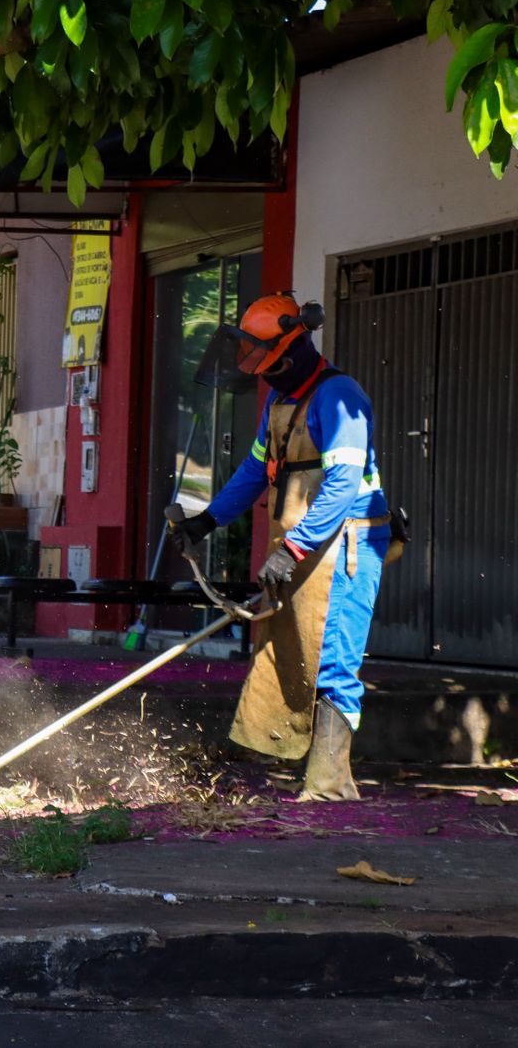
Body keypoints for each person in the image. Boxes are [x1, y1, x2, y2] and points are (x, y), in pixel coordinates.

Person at [173, 293, 395, 801]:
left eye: (271, 368)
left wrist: (292, 548)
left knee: (333, 659)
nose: (265, 379)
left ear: (293, 353)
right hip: (305, 543)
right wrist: (206, 521)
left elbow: (341, 486)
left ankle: (330, 788)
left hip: (347, 544)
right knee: (292, 650)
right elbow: (258, 469)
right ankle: (298, 765)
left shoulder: (342, 398)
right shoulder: (279, 402)